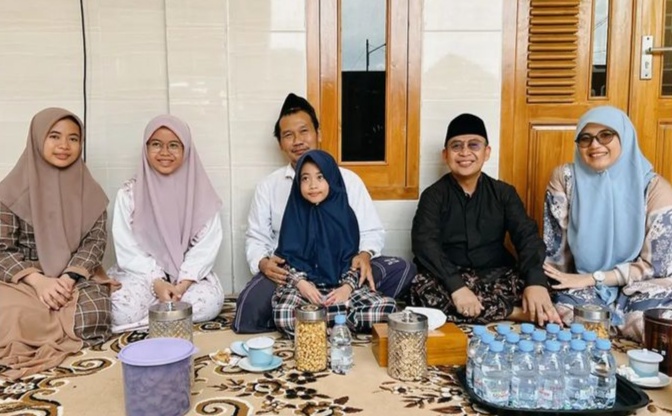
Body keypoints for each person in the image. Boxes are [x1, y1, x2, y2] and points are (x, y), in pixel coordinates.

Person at [234, 93, 415, 333]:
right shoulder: (268, 186)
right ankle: (340, 314)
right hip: (291, 273)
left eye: (304, 131)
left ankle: (314, 317)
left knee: (402, 269)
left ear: (318, 133)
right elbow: (256, 238)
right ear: (280, 143)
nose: (298, 141)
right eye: (288, 135)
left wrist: (364, 255)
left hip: (344, 268)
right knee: (249, 306)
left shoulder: (348, 180)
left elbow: (371, 231)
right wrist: (263, 263)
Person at [410, 113, 561, 326]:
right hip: (451, 274)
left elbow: (526, 236)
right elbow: (424, 243)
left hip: (496, 274)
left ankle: (487, 309)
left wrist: (535, 282)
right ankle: (517, 312)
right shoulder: (433, 196)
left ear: (486, 152)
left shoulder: (504, 193)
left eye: (474, 145)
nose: (465, 152)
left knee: (549, 281)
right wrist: (457, 287)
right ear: (446, 155)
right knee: (422, 289)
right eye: (456, 146)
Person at [0, 108, 113, 380]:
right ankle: (45, 324)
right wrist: (39, 282)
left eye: (73, 139)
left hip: (73, 280)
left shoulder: (91, 191)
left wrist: (67, 279)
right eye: (54, 136)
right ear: (37, 139)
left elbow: (95, 242)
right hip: (23, 282)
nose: (64, 145)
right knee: (9, 309)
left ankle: (34, 327)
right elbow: (2, 249)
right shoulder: (9, 192)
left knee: (97, 311)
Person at [544, 106, 672, 342]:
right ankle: (609, 325)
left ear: (625, 137)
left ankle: (610, 324)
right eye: (585, 138)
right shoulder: (566, 178)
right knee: (560, 311)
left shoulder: (656, 189)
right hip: (583, 285)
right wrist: (555, 286)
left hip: (641, 286)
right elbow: (556, 251)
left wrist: (595, 278)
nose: (595, 145)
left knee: (658, 322)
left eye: (606, 135)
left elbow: (656, 267)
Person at [108, 115, 224, 333]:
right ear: (146, 148)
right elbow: (128, 247)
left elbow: (206, 246)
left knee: (209, 302)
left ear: (186, 149)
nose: (164, 152)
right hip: (143, 276)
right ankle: (172, 315)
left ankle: (152, 318)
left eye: (173, 145)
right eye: (156, 144)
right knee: (121, 309)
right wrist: (157, 282)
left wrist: (183, 283)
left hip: (187, 279)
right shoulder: (129, 194)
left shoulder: (201, 194)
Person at [272, 150, 396, 334]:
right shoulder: (294, 215)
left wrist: (347, 288)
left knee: (387, 308)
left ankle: (315, 322)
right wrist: (301, 284)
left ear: (332, 178)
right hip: (305, 289)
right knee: (283, 314)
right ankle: (338, 322)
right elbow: (285, 260)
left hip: (340, 287)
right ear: (298, 183)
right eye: (305, 178)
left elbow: (353, 261)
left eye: (320, 177)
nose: (313, 185)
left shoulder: (344, 216)